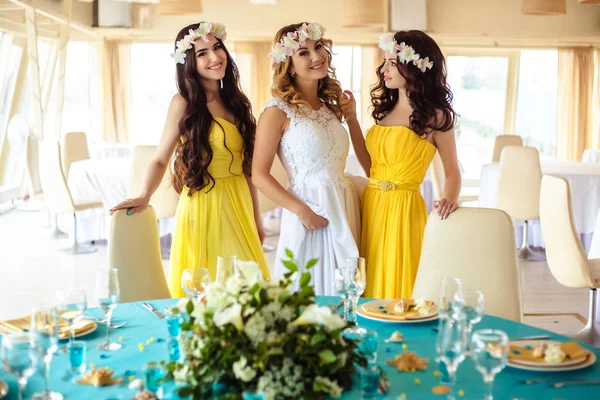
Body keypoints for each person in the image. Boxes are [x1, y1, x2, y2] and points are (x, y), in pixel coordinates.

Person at [111, 22, 270, 297]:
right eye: (202, 53)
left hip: (239, 201)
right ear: (188, 63)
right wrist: (144, 195)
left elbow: (247, 170)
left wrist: (257, 219)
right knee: (209, 293)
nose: (214, 57)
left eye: (217, 48)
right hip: (204, 205)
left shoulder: (236, 102)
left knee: (248, 291)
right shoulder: (183, 103)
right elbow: (160, 158)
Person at [252, 22, 361, 295]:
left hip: (344, 207)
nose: (316, 56)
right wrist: (302, 212)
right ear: (287, 64)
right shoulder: (276, 111)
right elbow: (259, 175)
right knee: (312, 298)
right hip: (310, 211)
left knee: (346, 296)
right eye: (303, 52)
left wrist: (352, 118)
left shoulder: (331, 109)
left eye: (319, 47)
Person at [358, 30, 461, 299]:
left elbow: (452, 171)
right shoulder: (384, 111)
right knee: (371, 279)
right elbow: (371, 167)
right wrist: (350, 120)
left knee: (402, 281)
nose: (384, 69)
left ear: (413, 66)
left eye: (393, 62)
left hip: (405, 207)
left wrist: (448, 199)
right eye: (385, 61)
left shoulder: (436, 116)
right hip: (372, 204)